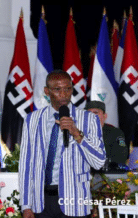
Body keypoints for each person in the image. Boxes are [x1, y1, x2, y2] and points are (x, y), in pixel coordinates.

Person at [19, 70, 106, 218]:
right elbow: (26, 164)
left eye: (67, 89)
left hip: (75, 199)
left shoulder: (89, 119)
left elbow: (99, 162)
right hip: (41, 202)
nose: (63, 94)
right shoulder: (32, 119)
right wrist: (26, 205)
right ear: (47, 91)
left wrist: (76, 133)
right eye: (57, 89)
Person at [85, 101, 128, 166]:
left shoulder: (115, 133)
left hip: (108, 172)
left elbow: (122, 155)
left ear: (104, 116)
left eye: (96, 112)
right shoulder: (79, 133)